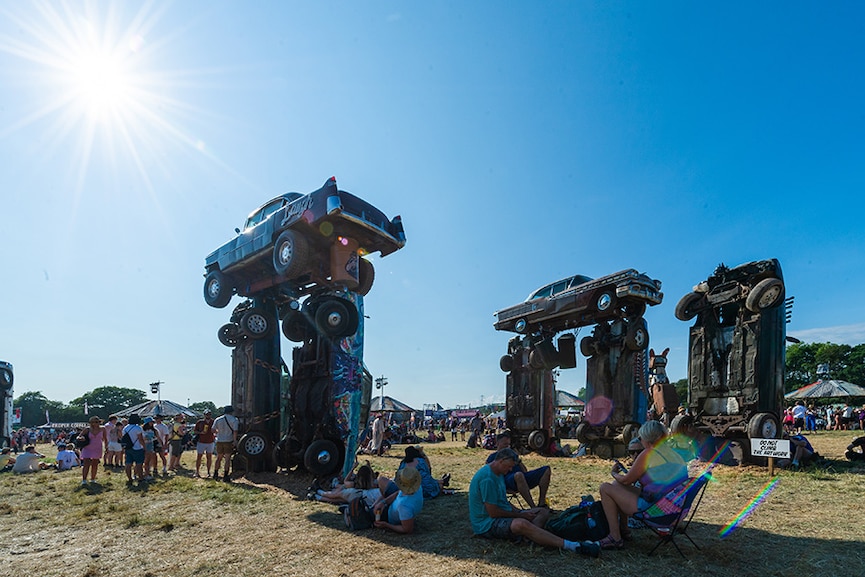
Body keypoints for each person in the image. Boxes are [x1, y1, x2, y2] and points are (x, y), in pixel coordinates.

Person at [468, 447, 599, 557]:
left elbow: (503, 502)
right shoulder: (487, 479)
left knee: (542, 512)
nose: (509, 471)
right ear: (501, 461)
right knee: (522, 524)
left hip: (500, 517)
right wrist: (520, 515)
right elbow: (493, 512)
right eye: (509, 467)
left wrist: (520, 512)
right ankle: (572, 546)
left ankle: (530, 537)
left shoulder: (498, 473)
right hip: (486, 525)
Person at [597, 420, 687, 550]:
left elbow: (627, 480)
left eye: (640, 437)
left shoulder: (649, 453)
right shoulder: (677, 455)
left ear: (647, 438)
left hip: (656, 511)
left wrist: (614, 473)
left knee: (605, 488)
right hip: (675, 509)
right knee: (617, 486)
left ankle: (615, 537)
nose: (640, 440)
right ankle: (625, 531)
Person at [485, 430, 551, 508]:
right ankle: (533, 507)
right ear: (498, 443)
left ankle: (542, 503)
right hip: (507, 481)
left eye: (509, 444)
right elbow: (489, 475)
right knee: (518, 475)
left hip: (521, 478)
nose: (507, 447)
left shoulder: (512, 454)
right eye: (505, 444)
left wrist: (518, 460)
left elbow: (525, 471)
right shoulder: (493, 457)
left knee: (546, 470)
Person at [371, 466, 423, 534]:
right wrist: (384, 502)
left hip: (388, 514)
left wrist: (386, 525)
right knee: (382, 480)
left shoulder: (404, 506)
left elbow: (407, 529)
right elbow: (399, 492)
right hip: (393, 504)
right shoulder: (416, 486)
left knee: (368, 513)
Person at [212, 406, 239, 482]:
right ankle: (226, 476)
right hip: (228, 440)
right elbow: (235, 431)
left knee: (219, 458)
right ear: (231, 412)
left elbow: (213, 430)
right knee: (227, 459)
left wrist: (219, 433)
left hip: (219, 440)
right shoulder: (234, 420)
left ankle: (215, 474)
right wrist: (234, 440)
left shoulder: (218, 419)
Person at [80, 416, 108, 485]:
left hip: (97, 448)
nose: (95, 423)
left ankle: (93, 478)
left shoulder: (103, 429)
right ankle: (84, 480)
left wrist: (107, 447)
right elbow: (79, 436)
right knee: (86, 463)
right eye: (93, 422)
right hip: (87, 447)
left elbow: (105, 439)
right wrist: (81, 438)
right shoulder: (87, 429)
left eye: (97, 422)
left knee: (95, 464)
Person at [123, 414, 146, 484]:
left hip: (128, 448)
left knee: (128, 464)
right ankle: (140, 478)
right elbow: (140, 439)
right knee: (139, 464)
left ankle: (129, 478)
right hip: (137, 448)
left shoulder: (125, 428)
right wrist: (144, 447)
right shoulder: (138, 428)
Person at [194, 409, 216, 478]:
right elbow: (195, 431)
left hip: (210, 442)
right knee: (199, 457)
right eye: (207, 414)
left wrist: (215, 431)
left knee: (209, 457)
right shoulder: (200, 422)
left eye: (209, 414)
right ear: (204, 415)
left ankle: (209, 472)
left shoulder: (213, 421)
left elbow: (217, 430)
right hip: (201, 442)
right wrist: (201, 433)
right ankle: (197, 472)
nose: (208, 415)